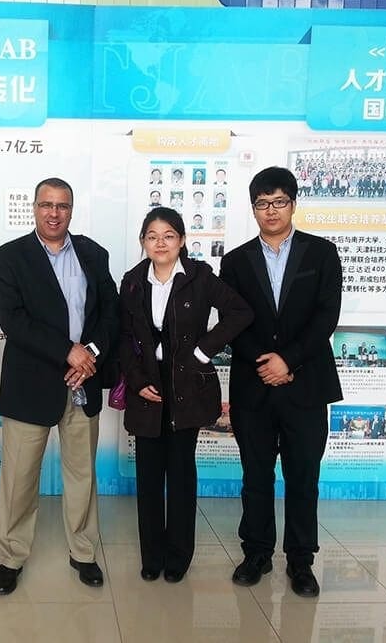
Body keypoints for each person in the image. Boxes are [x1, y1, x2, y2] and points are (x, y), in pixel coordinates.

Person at [0, 177, 118, 596]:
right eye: (46, 204)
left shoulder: (94, 254)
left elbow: (110, 313)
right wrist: (69, 351)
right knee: (19, 478)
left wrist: (90, 354)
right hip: (32, 385)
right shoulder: (9, 258)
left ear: (71, 209)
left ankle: (83, 552)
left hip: (85, 380)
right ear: (34, 207)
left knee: (82, 474)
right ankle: (11, 556)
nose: (53, 213)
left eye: (62, 205)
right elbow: (14, 321)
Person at [220, 166, 342, 598]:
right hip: (254, 386)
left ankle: (301, 561)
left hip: (305, 383)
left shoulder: (321, 254)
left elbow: (326, 316)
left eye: (278, 202)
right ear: (252, 208)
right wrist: (265, 362)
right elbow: (235, 321)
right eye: (261, 203)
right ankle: (256, 554)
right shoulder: (234, 261)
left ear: (293, 203)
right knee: (255, 474)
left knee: (303, 475)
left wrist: (288, 360)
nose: (270, 210)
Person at [119, 207, 252, 583]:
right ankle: (152, 555)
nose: (160, 243)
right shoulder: (132, 281)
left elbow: (240, 312)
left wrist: (202, 350)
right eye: (152, 236)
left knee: (180, 474)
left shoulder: (200, 277)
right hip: (146, 385)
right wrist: (135, 377)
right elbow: (123, 337)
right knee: (148, 475)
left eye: (168, 236)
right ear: (143, 241)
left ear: (181, 241)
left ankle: (178, 555)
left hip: (186, 386)